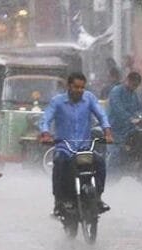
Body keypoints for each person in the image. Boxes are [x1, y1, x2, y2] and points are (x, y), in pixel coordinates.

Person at [39, 72, 114, 215]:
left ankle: (98, 197)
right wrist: (46, 133)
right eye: (76, 87)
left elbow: (101, 115)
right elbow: (46, 119)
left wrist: (107, 132)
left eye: (82, 88)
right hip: (64, 147)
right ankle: (59, 201)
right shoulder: (57, 101)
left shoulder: (89, 99)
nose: (79, 91)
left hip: (84, 148)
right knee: (60, 164)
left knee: (99, 162)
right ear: (69, 86)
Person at [107, 72, 142, 144]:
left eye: (137, 86)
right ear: (127, 80)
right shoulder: (116, 92)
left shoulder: (133, 94)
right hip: (115, 130)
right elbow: (118, 109)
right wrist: (130, 118)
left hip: (128, 129)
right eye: (134, 85)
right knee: (117, 153)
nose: (135, 87)